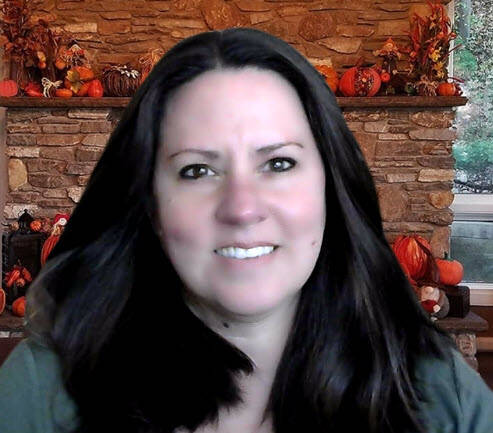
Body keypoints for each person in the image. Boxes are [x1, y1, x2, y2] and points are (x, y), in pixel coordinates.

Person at [0, 27, 492, 433]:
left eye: (278, 163)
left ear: (331, 186)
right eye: (197, 170)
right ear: (148, 204)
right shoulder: (43, 393)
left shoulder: (437, 394)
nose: (242, 208)